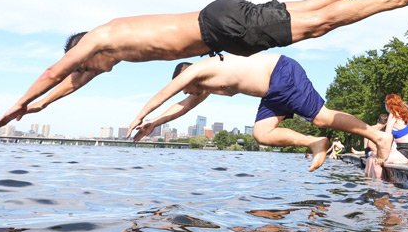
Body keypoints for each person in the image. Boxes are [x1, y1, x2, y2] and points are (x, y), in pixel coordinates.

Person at [0, 0, 408, 128]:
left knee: (320, 23)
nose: (91, 72)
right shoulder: (109, 50)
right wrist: (35, 107)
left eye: (86, 65)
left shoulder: (98, 38)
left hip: (219, 28)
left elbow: (59, 71)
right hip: (220, 24)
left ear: (81, 49)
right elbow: (70, 83)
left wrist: (18, 100)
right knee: (317, 6)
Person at [126, 53, 393, 172]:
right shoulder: (204, 87)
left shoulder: (199, 69)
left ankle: (377, 136)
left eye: (187, 87)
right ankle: (315, 143)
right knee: (261, 133)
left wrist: (140, 114)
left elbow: (167, 92)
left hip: (281, 73)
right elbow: (182, 107)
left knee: (322, 117)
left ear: (187, 76)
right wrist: (154, 122)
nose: (188, 93)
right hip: (270, 93)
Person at [384, 94, 408, 159]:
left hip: (406, 150)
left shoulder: (393, 115)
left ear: (388, 105)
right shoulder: (403, 114)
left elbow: (386, 136)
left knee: (375, 159)